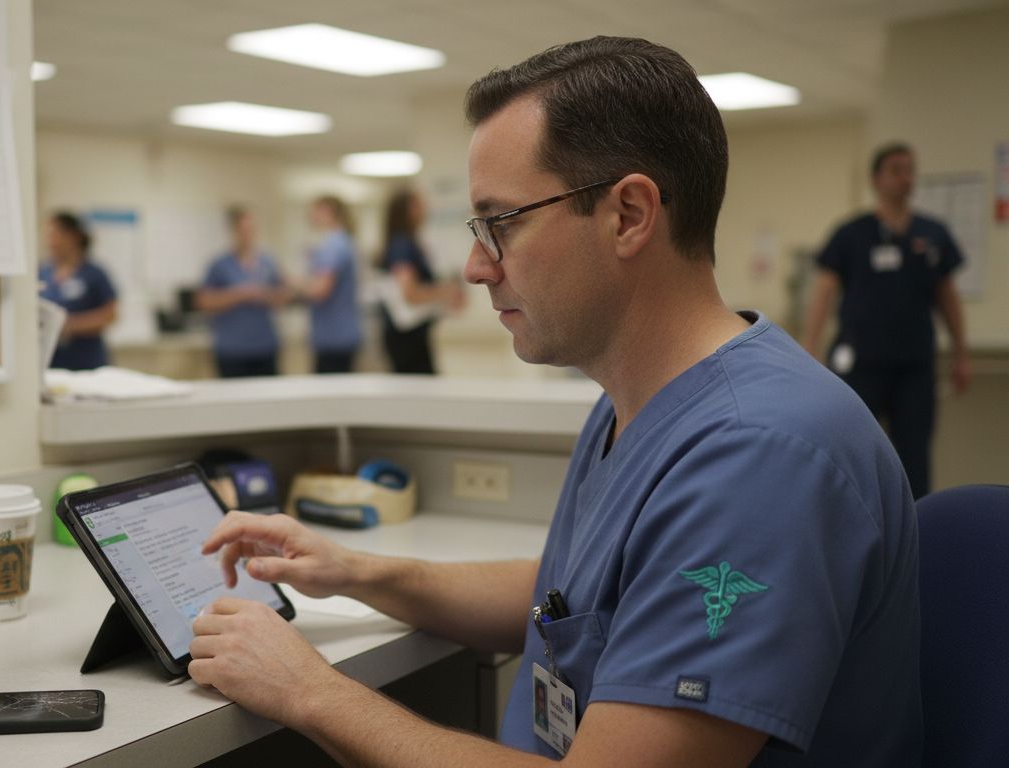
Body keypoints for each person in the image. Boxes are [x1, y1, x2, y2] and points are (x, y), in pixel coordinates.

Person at [186, 37, 920, 768]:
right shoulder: (637, 399)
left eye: (500, 223)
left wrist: (311, 691)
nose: (476, 267)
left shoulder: (758, 454)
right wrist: (359, 571)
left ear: (629, 214)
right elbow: (574, 601)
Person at [802, 143, 971, 499]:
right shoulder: (851, 234)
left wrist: (961, 351)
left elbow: (947, 297)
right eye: (896, 169)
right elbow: (824, 294)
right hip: (861, 363)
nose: (905, 177)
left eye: (910, 169)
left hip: (914, 365)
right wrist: (808, 351)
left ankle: (916, 535)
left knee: (914, 458)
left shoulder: (932, 233)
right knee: (852, 449)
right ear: (876, 179)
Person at [195, 206, 291, 378]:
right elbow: (203, 301)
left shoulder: (268, 262)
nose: (248, 234)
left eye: (251, 229)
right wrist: (240, 294)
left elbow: (283, 296)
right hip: (232, 351)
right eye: (243, 230)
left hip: (265, 348)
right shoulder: (220, 265)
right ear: (234, 231)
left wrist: (266, 295)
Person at [376, 189, 465, 374]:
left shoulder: (410, 242)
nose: (425, 209)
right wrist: (447, 291)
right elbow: (410, 294)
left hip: (414, 334)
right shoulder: (402, 244)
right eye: (418, 205)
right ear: (407, 211)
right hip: (406, 337)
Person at [38, 212, 119, 370]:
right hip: (52, 362)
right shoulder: (43, 272)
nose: (50, 242)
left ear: (72, 236)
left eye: (54, 235)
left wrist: (69, 325)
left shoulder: (94, 273)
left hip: (88, 362)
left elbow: (111, 315)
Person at [300, 195, 363, 373]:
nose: (310, 216)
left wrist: (293, 288)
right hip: (339, 334)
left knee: (330, 394)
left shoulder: (333, 244)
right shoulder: (342, 241)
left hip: (334, 338)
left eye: (314, 210)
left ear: (327, 211)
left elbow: (321, 289)